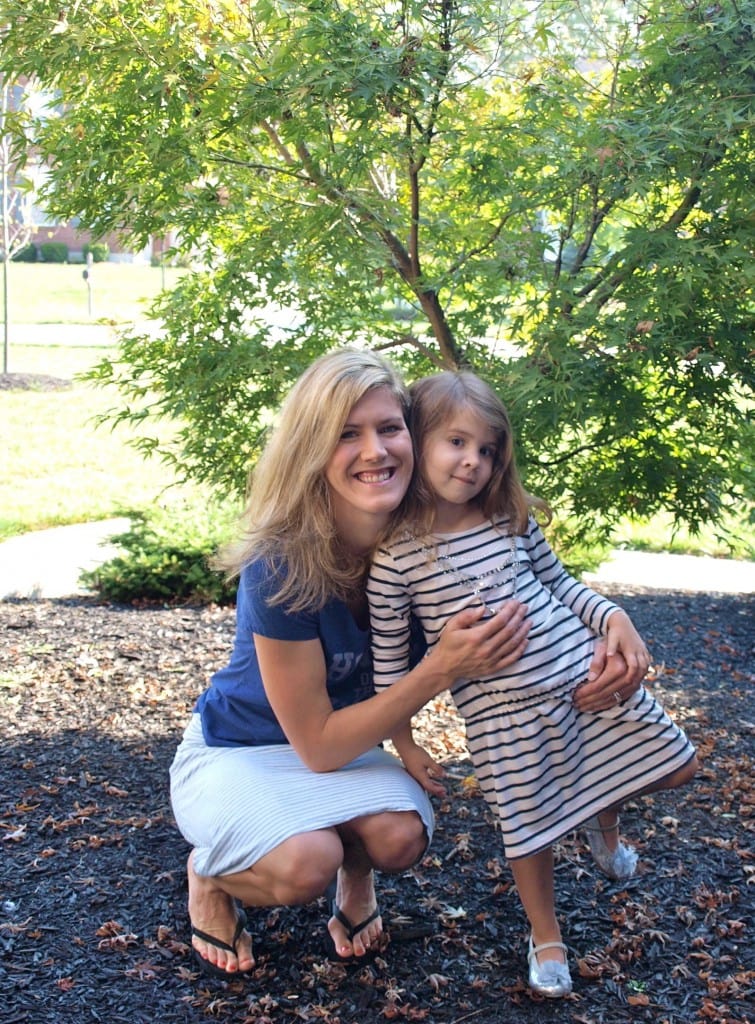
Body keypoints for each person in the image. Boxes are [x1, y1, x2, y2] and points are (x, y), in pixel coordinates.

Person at [169, 348, 638, 980]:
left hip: (349, 744)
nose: (375, 451)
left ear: (414, 438)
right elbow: (316, 747)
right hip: (244, 746)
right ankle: (210, 876)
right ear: (312, 448)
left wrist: (612, 626)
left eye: (389, 429)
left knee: (401, 840)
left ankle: (355, 879)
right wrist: (438, 670)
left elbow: (547, 596)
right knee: (307, 860)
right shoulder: (282, 562)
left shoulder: (432, 548)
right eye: (347, 434)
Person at [367, 370, 698, 998]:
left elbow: (561, 584)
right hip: (502, 717)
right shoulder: (397, 556)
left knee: (677, 765)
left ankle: (604, 812)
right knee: (531, 831)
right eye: (457, 442)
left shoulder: (506, 518)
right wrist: (404, 745)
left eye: (488, 449)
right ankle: (546, 935)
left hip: (583, 680)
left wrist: (613, 616)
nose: (473, 461)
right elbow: (390, 663)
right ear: (418, 439)